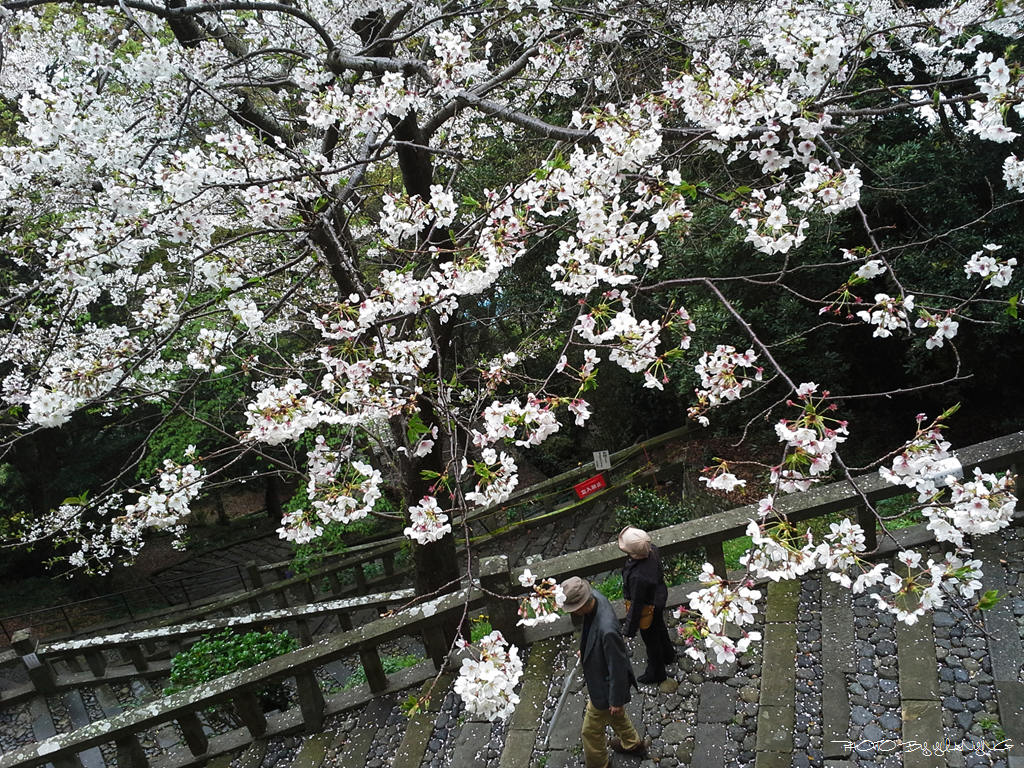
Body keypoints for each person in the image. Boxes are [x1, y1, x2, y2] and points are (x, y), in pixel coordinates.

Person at [561, 576, 648, 768]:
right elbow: (590, 631)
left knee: (590, 732)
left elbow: (617, 666)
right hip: (602, 679)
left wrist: (615, 700)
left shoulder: (607, 630)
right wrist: (586, 647)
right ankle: (633, 744)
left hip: (604, 687)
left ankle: (599, 764)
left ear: (581, 605)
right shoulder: (597, 598)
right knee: (616, 716)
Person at [618, 525, 676, 684]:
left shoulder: (638, 576)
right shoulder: (653, 550)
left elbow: (637, 604)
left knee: (651, 639)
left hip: (648, 606)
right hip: (659, 597)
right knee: (659, 626)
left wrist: (628, 629)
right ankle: (668, 654)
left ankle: (656, 672)